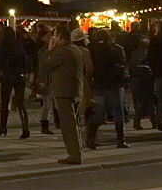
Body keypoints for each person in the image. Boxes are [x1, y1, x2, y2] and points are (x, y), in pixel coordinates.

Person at [45, 25, 85, 165]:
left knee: (68, 125)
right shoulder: (75, 49)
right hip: (74, 90)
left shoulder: (62, 51)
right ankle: (76, 152)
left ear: (60, 37)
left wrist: (49, 50)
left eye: (55, 36)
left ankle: (74, 155)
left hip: (64, 91)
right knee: (74, 123)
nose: (53, 39)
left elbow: (46, 65)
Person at [87, 30, 129, 149]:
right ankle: (121, 139)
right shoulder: (117, 49)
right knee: (118, 112)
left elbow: (90, 67)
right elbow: (123, 64)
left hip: (99, 85)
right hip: (115, 85)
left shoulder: (93, 50)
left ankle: (91, 138)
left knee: (98, 114)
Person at [0, 27, 31, 139]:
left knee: (4, 102)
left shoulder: (2, 46)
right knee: (21, 103)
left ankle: (3, 127)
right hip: (19, 76)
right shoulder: (19, 45)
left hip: (7, 76)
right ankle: (25, 128)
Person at [129, 36, 154, 130]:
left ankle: (137, 121)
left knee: (139, 101)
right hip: (147, 78)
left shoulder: (134, 53)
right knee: (150, 100)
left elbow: (130, 66)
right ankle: (154, 121)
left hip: (136, 79)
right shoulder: (150, 53)